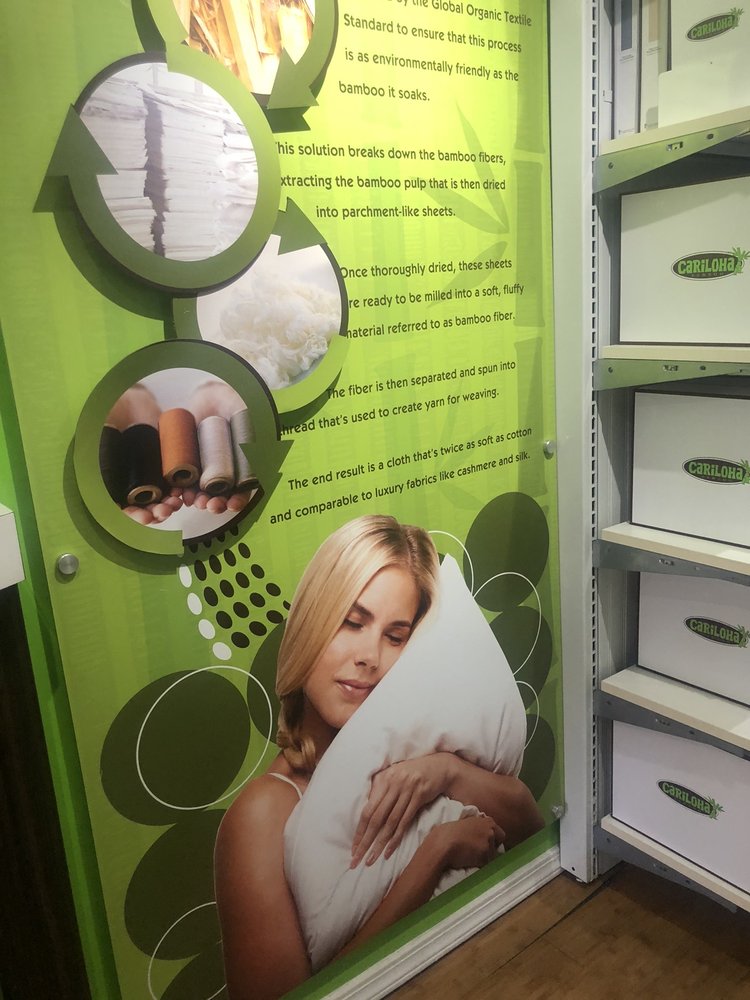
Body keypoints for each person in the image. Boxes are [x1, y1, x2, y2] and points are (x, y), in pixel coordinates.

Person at [214, 515, 544, 1000]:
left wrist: (446, 772)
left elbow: (533, 833)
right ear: (310, 622)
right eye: (352, 622)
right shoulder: (263, 812)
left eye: (395, 636)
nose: (369, 656)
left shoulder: (416, 750)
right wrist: (433, 855)